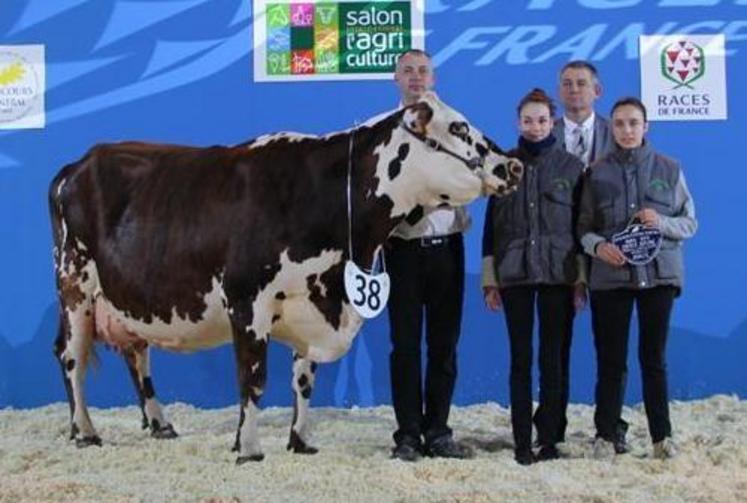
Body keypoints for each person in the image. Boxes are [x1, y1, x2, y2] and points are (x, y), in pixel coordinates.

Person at [577, 97, 697, 460]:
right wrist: (599, 248)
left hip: (659, 278)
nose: (627, 130)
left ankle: (663, 437)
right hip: (611, 279)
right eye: (619, 124)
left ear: (646, 127)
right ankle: (605, 435)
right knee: (610, 360)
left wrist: (660, 222)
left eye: (633, 123)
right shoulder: (595, 173)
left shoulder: (670, 169)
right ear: (610, 128)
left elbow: (689, 222)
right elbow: (583, 228)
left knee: (653, 358)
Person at [482, 88, 585, 465]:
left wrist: (581, 279)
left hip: (560, 276)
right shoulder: (503, 165)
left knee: (553, 359)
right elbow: (491, 228)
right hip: (515, 276)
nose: (536, 126)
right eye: (528, 120)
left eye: (542, 120)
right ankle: (522, 440)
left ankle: (550, 439)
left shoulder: (572, 168)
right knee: (520, 360)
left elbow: (580, 226)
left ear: (552, 121)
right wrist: (490, 279)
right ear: (517, 123)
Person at [385, 49, 472, 462]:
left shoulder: (455, 127)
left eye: (422, 71)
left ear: (433, 78)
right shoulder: (383, 132)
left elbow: (473, 174)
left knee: (444, 344)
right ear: (395, 79)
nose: (416, 78)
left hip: (448, 248)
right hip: (402, 249)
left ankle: (438, 431)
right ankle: (407, 434)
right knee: (404, 345)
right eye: (408, 72)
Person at [554, 60, 632, 453]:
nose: (574, 90)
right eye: (566, 84)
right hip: (554, 256)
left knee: (611, 348)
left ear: (597, 91)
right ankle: (550, 430)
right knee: (554, 347)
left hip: (606, 253)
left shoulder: (618, 134)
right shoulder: (541, 133)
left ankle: (610, 425)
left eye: (582, 83)